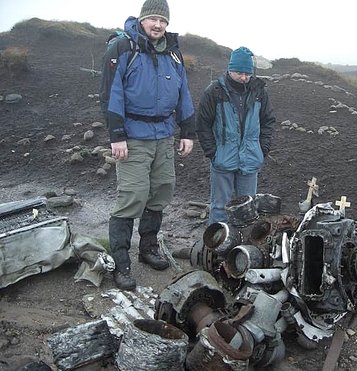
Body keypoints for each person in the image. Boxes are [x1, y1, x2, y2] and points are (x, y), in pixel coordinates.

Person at [100, 0, 195, 290]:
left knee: (161, 191)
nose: (158, 25)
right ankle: (121, 262)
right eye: (153, 19)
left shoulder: (173, 54)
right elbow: (111, 94)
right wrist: (116, 135)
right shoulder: (123, 48)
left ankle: (148, 248)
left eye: (163, 21)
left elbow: (183, 94)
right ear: (142, 20)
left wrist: (187, 131)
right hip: (133, 136)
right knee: (133, 196)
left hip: (164, 136)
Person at [196, 47, 276, 225]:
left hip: (250, 158)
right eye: (239, 72)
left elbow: (268, 121)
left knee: (247, 207)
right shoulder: (214, 91)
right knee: (219, 207)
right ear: (230, 69)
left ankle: (242, 249)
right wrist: (212, 152)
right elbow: (203, 124)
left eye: (247, 73)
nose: (244, 77)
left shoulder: (259, 92)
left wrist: (262, 149)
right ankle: (217, 247)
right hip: (223, 158)